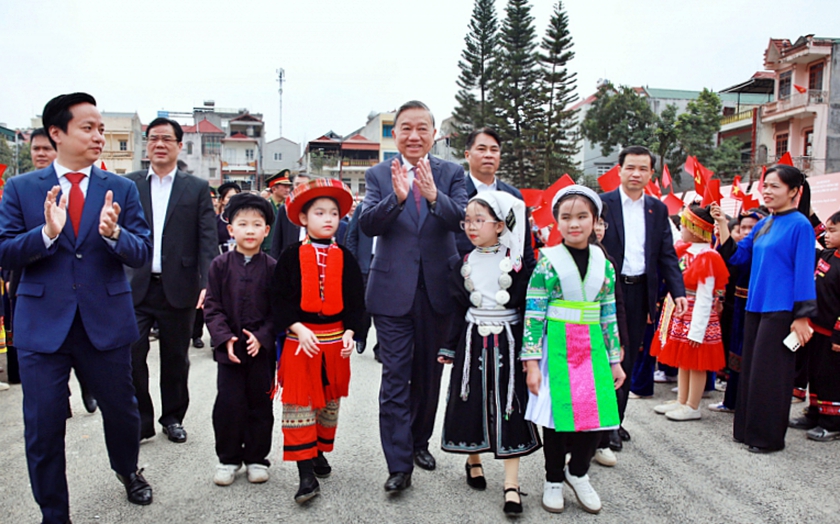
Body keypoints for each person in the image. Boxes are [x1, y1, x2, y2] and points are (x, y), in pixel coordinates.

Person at [0, 92, 154, 522]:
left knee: (122, 412)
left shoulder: (121, 188)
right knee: (43, 426)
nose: (99, 136)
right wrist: (46, 234)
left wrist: (114, 234)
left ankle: (127, 469)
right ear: (57, 132)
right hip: (42, 326)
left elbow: (142, 251)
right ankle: (54, 512)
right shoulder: (21, 189)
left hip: (105, 321)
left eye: (101, 129)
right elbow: (4, 250)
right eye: (88, 128)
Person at [359, 100, 468, 492]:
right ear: (395, 134)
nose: (414, 135)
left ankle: (419, 441)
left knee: (428, 376)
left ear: (434, 134)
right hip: (392, 293)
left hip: (438, 292)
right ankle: (399, 463)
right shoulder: (378, 174)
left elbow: (462, 220)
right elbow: (368, 224)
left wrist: (435, 196)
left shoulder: (452, 173)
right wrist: (398, 198)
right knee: (395, 378)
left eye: (422, 128)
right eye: (406, 127)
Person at [523, 185, 625, 515]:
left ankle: (578, 471)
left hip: (592, 347)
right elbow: (534, 312)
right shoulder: (547, 262)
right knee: (557, 418)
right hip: (557, 346)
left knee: (595, 415)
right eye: (566, 217)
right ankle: (553, 478)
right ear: (557, 222)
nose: (574, 223)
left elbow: (608, 311)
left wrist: (614, 359)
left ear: (595, 221)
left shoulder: (604, 264)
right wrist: (532, 362)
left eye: (582, 216)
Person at [437, 191, 540, 517]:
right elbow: (457, 310)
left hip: (508, 341)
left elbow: (529, 309)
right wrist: (449, 346)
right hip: (471, 342)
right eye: (467, 220)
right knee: (471, 400)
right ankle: (474, 459)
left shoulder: (518, 263)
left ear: (499, 225)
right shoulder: (462, 264)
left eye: (479, 220)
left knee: (510, 406)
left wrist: (530, 352)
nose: (471, 226)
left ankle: (511, 484)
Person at [271, 178, 365, 503]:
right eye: (319, 213)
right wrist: (297, 327)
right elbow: (279, 299)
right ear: (303, 218)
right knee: (299, 405)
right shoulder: (290, 256)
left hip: (334, 343)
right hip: (301, 342)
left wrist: (351, 332)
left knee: (328, 405)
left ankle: (318, 452)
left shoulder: (347, 258)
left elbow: (356, 302)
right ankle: (305, 477)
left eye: (334, 213)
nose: (328, 219)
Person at [712, 164, 817, 453]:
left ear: (793, 191)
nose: (767, 191)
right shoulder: (764, 223)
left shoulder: (800, 225)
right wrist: (722, 224)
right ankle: (747, 431)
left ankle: (767, 438)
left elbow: (804, 272)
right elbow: (738, 258)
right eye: (765, 186)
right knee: (751, 371)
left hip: (781, 310)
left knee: (771, 376)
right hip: (755, 307)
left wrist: (802, 316)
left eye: (774, 186)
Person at [126, 117, 218, 444]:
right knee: (131, 356)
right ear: (146, 145)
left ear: (179, 146)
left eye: (166, 139)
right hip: (136, 285)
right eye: (153, 138)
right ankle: (141, 421)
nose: (159, 144)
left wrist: (208, 282)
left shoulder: (196, 188)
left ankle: (173, 417)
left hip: (180, 286)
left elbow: (207, 239)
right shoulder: (130, 185)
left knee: (175, 359)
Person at [599, 145, 686, 451]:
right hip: (606, 292)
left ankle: (615, 421)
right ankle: (600, 422)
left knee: (628, 357)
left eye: (643, 169)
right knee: (605, 356)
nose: (636, 174)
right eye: (630, 168)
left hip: (639, 292)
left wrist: (678, 291)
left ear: (651, 174)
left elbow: (666, 254)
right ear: (619, 170)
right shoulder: (602, 204)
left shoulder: (657, 209)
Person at [203, 193, 277, 485]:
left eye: (257, 225)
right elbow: (212, 306)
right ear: (230, 229)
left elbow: (278, 311)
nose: (249, 230)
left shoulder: (272, 267)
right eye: (242, 224)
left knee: (260, 404)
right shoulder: (219, 265)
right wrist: (224, 338)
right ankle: (228, 459)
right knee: (229, 405)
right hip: (230, 352)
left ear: (266, 230)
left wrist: (262, 337)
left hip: (261, 352)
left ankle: (257, 458)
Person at [650, 204, 729, 421]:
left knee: (696, 362)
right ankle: (681, 400)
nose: (681, 229)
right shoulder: (685, 251)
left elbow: (705, 296)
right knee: (684, 359)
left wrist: (697, 330)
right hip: (683, 311)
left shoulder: (708, 256)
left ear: (695, 228)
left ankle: (692, 405)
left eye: (685, 225)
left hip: (696, 314)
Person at [784, 210, 840, 441]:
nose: (827, 235)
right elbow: (816, 235)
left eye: (833, 231)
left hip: (833, 334)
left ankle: (833, 422)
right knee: (815, 375)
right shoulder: (829, 255)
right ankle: (815, 413)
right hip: (816, 329)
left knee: (830, 378)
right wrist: (808, 212)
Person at [708, 208, 768, 414]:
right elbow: (729, 257)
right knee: (735, 352)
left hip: (761, 306)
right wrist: (721, 225)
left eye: (752, 227)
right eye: (743, 227)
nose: (747, 232)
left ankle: (751, 404)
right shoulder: (742, 249)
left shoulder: (764, 249)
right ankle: (732, 400)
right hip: (737, 306)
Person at [455, 128, 536, 272]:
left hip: (507, 276)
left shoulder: (513, 196)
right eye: (481, 149)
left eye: (494, 150)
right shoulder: (457, 194)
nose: (488, 155)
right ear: (467, 155)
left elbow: (524, 246)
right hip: (465, 274)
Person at [345, 200, 377, 358]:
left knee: (384, 308)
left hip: (385, 263)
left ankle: (381, 347)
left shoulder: (396, 206)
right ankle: (362, 333)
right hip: (364, 264)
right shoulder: (362, 208)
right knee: (364, 305)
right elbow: (352, 237)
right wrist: (353, 263)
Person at [269, 174, 311, 259]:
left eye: (304, 184)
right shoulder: (285, 209)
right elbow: (277, 240)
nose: (300, 187)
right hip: (289, 259)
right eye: (297, 184)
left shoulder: (317, 210)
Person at [261, 170, 292, 252]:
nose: (288, 190)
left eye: (289, 187)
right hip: (268, 251)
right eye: (284, 187)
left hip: (285, 252)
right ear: (274, 189)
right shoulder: (264, 207)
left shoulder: (290, 207)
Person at [216, 182, 241, 252]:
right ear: (222, 200)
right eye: (229, 197)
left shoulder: (246, 219)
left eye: (236, 197)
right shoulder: (215, 220)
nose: (233, 200)